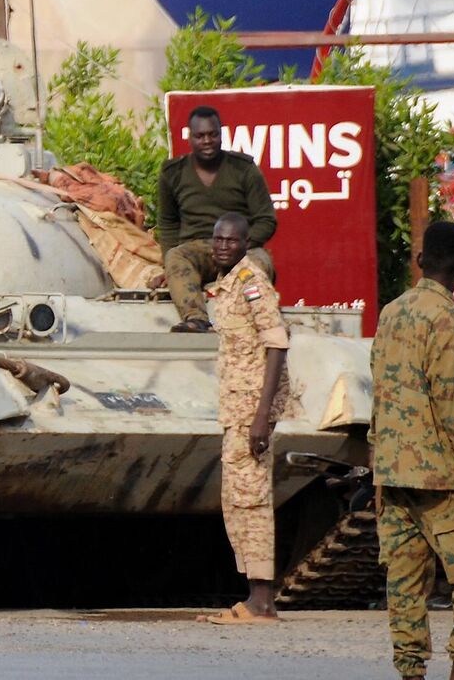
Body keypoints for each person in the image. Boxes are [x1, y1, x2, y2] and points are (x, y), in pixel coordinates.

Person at [371, 221, 454, 680]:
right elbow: (451, 395)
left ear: (421, 261)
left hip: (391, 469)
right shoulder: (445, 317)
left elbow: (380, 385)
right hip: (437, 473)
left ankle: (410, 672)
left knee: (405, 580)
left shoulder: (391, 311)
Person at [199, 213, 300, 626]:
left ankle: (262, 602)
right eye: (218, 239)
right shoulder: (226, 285)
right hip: (237, 410)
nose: (223, 245)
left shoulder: (251, 282)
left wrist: (261, 417)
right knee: (236, 501)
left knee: (252, 501)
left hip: (250, 412)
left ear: (245, 244)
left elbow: (277, 343)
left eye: (232, 240)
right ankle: (252, 598)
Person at [155, 106, 278, 333]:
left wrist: (238, 245)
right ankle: (196, 318)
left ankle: (245, 319)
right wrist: (169, 267)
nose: (207, 141)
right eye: (200, 136)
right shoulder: (172, 173)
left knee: (260, 265)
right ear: (189, 137)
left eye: (213, 134)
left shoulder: (243, 169)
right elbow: (168, 223)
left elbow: (266, 220)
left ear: (221, 134)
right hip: (198, 248)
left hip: (242, 249)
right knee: (175, 256)